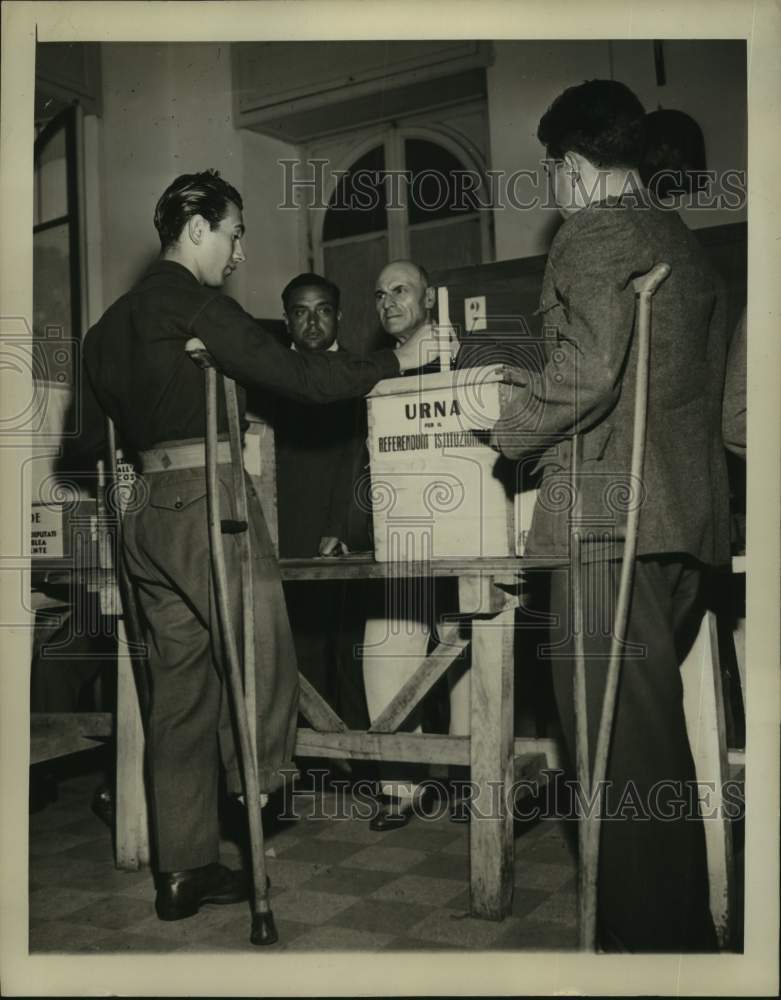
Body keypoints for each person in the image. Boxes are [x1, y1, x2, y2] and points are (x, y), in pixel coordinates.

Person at [82, 170, 435, 922]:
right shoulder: (199, 306)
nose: (240, 252)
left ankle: (184, 871)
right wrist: (390, 363)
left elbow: (90, 439)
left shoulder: (104, 328)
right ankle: (263, 787)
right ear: (199, 229)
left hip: (141, 512)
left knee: (178, 696)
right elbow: (301, 379)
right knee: (264, 661)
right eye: (236, 232)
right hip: (207, 500)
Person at [493, 80, 729, 952]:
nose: (553, 190)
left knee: (609, 746)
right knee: (650, 740)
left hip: (604, 513)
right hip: (681, 522)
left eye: (552, 171)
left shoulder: (594, 233)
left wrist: (508, 423)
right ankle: (678, 932)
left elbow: (588, 370)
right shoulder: (680, 238)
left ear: (578, 169)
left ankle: (653, 949)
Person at [323, 260, 469, 830]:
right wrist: (344, 525)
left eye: (401, 290)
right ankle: (399, 785)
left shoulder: (465, 355)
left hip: (461, 531)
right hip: (399, 536)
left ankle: (467, 781)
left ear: (429, 298)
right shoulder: (374, 370)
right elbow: (358, 455)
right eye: (380, 294)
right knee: (387, 641)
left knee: (467, 648)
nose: (388, 302)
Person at [274, 272, 372, 734]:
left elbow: (359, 458)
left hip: (347, 535)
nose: (312, 323)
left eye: (323, 310)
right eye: (300, 312)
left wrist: (341, 526)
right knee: (294, 656)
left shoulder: (360, 373)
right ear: (287, 321)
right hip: (283, 536)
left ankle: (363, 770)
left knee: (353, 653)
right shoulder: (268, 376)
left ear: (340, 316)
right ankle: (302, 764)